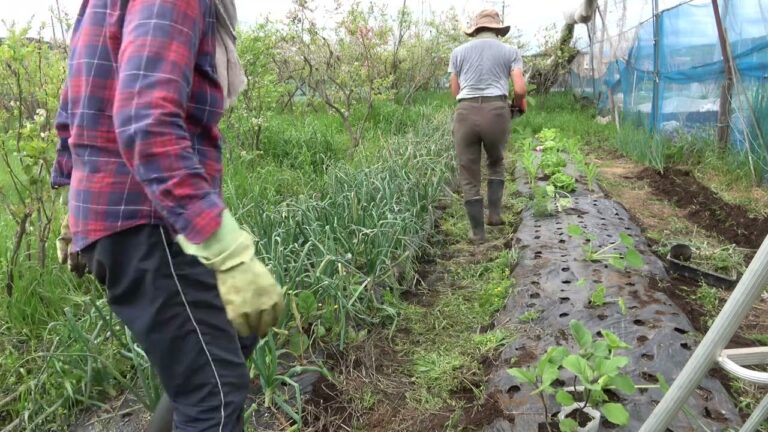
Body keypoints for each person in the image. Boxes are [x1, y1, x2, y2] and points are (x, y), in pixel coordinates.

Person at [51, 0, 284, 431]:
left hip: (126, 210)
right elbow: (146, 118)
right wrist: (227, 249)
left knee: (230, 339)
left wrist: (73, 207)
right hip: (149, 213)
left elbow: (77, 98)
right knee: (212, 391)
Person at [449, 9, 527, 243]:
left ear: (475, 30)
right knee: (496, 161)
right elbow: (521, 89)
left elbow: (455, 91)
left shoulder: (458, 52)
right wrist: (517, 105)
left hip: (465, 111)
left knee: (468, 170)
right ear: (497, 30)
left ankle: (477, 232)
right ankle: (494, 215)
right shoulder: (510, 51)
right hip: (496, 111)